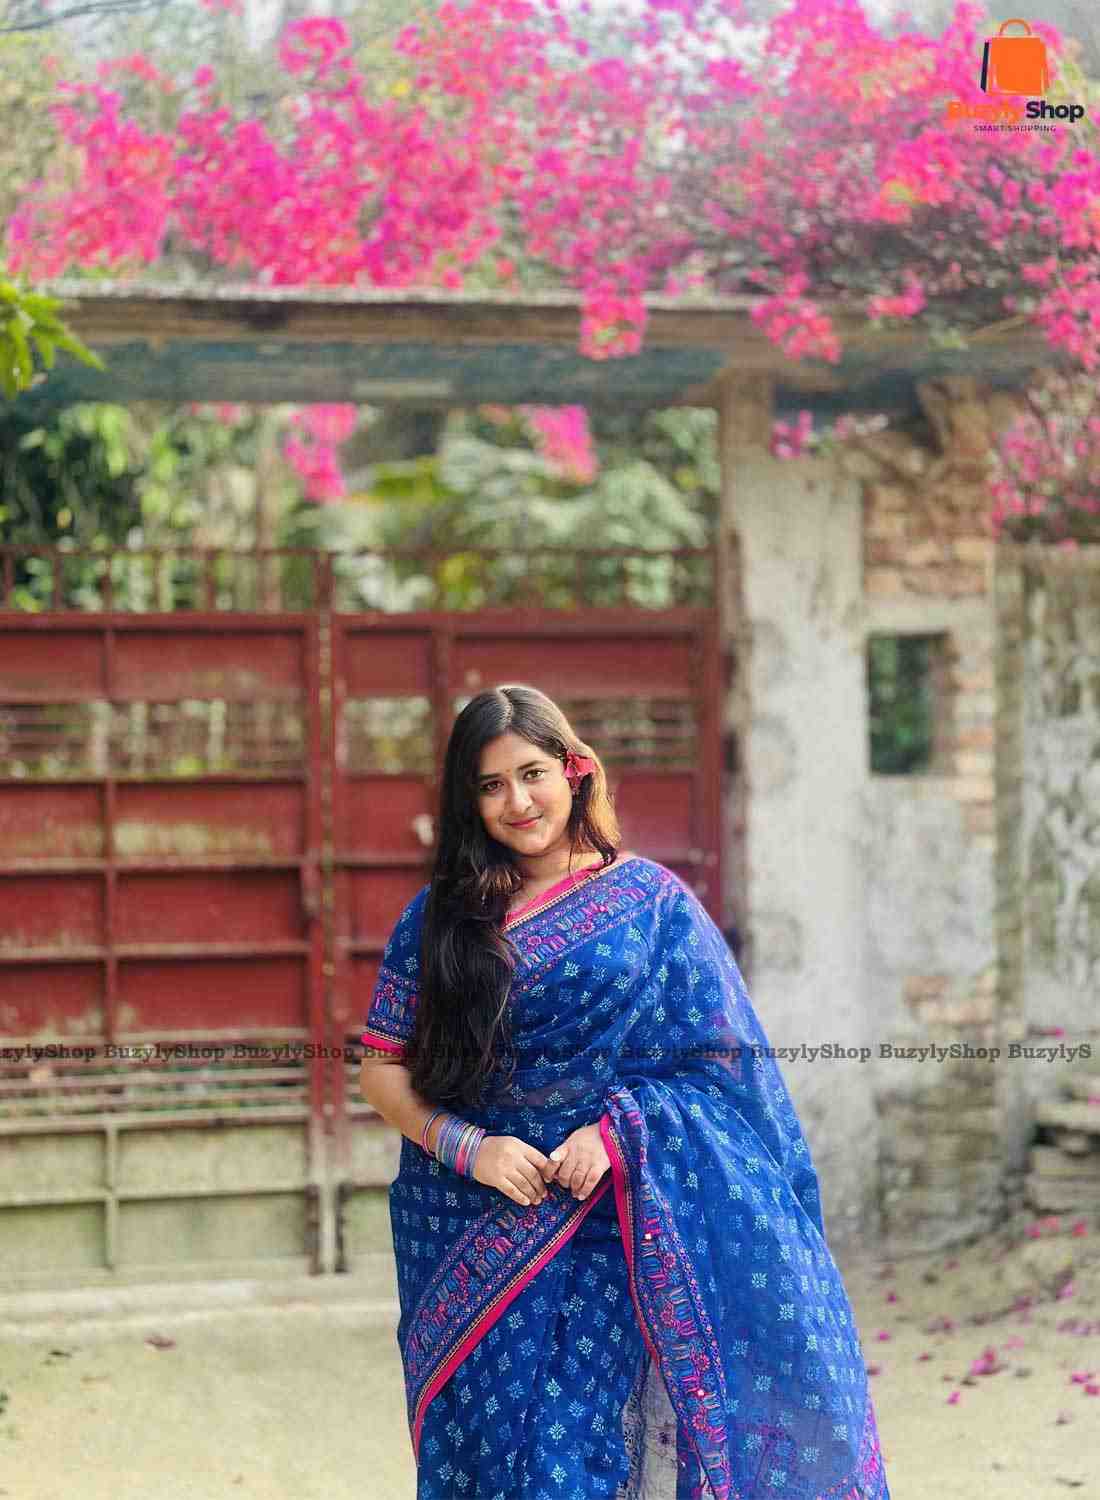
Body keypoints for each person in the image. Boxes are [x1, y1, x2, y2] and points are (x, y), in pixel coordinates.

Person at [360, 683, 890, 1500]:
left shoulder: (653, 907)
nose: (517, 801)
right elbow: (382, 1065)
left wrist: (617, 1137)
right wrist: (471, 1148)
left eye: (531, 773)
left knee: (580, 1462)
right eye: (490, 785)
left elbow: (722, 1073)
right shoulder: (438, 919)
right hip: (472, 1228)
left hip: (614, 1226)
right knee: (495, 1460)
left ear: (574, 771)